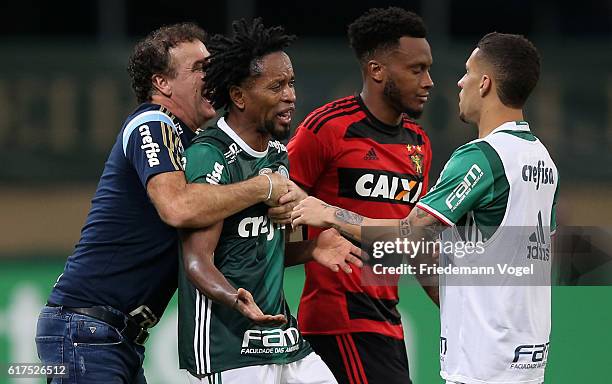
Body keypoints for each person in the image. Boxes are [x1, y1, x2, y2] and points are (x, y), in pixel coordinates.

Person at [35, 23, 296, 384]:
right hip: (85, 329)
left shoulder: (202, 144)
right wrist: (263, 187)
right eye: (200, 68)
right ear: (162, 83)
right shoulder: (152, 122)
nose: (213, 74)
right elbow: (178, 208)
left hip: (113, 336)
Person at [292, 32, 558, 384]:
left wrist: (330, 213)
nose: (458, 82)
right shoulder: (544, 162)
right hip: (527, 352)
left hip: (485, 360)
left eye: (467, 72)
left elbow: (410, 235)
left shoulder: (481, 157)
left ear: (485, 83)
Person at [177, 18, 363, 384]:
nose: (290, 95)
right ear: (239, 96)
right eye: (276, 86)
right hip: (228, 346)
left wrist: (311, 249)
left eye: (291, 83)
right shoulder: (211, 155)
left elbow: (262, 247)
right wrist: (235, 299)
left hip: (283, 337)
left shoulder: (278, 154)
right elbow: (196, 260)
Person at [286, 7, 434, 384]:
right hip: (340, 319)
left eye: (428, 69)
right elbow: (281, 209)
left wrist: (456, 308)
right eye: (416, 69)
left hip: (387, 317)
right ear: (377, 70)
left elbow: (415, 245)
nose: (429, 81)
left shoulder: (420, 145)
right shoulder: (326, 128)